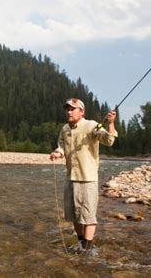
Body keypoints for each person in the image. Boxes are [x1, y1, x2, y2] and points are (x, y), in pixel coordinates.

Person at [49, 98, 117, 256]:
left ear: (82, 112)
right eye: (67, 109)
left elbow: (109, 140)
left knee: (88, 214)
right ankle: (81, 242)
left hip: (88, 178)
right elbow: (60, 146)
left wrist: (110, 123)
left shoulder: (92, 125)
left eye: (73, 109)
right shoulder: (65, 129)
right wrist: (57, 153)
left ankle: (87, 246)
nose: (69, 112)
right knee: (73, 214)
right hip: (70, 177)